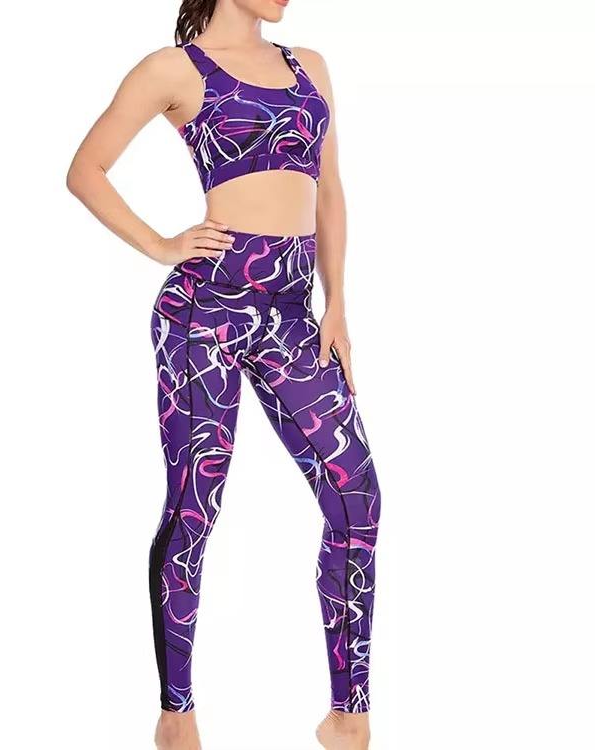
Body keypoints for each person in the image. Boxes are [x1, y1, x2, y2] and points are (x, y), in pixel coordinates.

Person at [67, 2, 381, 748]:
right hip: (202, 312)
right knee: (194, 506)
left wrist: (336, 306)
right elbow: (85, 171)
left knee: (357, 495)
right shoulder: (173, 70)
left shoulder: (309, 67)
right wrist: (160, 244)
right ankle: (176, 715)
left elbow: (329, 189)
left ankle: (348, 715)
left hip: (293, 314)